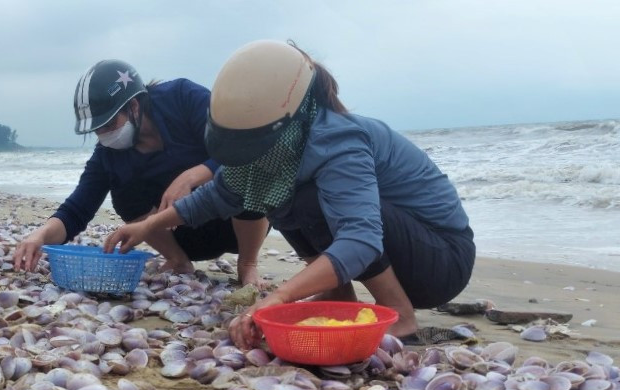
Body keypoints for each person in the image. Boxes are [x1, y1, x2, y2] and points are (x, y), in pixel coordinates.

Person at [105, 40, 474, 345]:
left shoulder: (337, 139)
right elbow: (218, 195)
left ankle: (402, 318)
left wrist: (279, 296)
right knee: (280, 197)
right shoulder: (279, 149)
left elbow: (361, 239)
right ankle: (337, 294)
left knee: (308, 202)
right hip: (404, 249)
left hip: (440, 262)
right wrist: (148, 226)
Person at [12, 60, 265, 285]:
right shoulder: (107, 155)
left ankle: (248, 264)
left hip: (237, 223)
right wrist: (41, 235)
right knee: (124, 195)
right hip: (184, 237)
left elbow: (244, 149)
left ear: (133, 106)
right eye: (97, 129)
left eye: (110, 124)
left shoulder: (183, 98)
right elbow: (76, 210)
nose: (104, 135)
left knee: (247, 176)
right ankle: (179, 262)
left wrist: (192, 175)